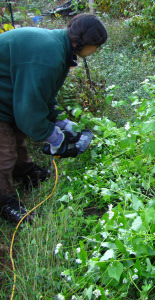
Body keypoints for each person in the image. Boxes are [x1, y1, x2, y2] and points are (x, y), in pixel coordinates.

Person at [0, 13, 108, 223]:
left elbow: (43, 95)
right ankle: (6, 202)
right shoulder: (49, 57)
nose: (96, 51)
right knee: (3, 153)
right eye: (96, 46)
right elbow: (28, 113)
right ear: (82, 42)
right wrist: (55, 138)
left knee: (16, 138)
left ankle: (27, 172)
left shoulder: (58, 47)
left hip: (7, 91)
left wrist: (61, 122)